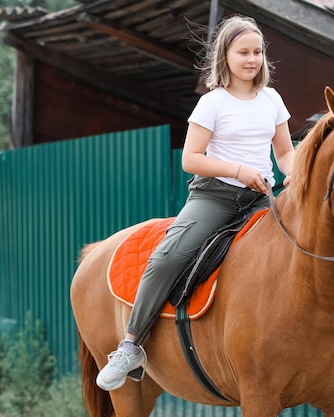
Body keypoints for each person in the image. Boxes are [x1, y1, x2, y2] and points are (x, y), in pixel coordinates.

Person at [96, 14, 296, 391]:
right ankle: (131, 344)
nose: (251, 59)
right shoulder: (212, 102)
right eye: (243, 52)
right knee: (167, 257)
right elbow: (191, 158)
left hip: (261, 199)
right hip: (215, 196)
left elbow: (284, 153)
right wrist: (238, 170)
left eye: (257, 52)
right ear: (226, 55)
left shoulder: (272, 99)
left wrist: (296, 171)